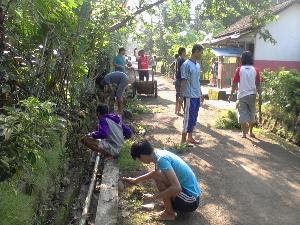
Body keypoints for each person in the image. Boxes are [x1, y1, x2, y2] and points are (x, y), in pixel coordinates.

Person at [122, 140, 201, 221]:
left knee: (159, 178)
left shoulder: (161, 160)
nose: (140, 161)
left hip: (191, 201)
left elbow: (177, 188)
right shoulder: (158, 154)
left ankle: (169, 213)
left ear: (142, 155)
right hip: (189, 195)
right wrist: (136, 180)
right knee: (158, 175)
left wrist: (154, 197)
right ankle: (169, 208)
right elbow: (154, 174)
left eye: (139, 158)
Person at [229, 51, 261, 138]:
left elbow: (234, 83)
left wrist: (231, 94)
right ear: (251, 59)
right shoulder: (255, 70)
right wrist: (260, 95)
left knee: (242, 114)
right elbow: (258, 84)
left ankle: (244, 134)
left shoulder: (239, 70)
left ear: (242, 59)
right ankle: (250, 132)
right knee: (252, 113)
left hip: (242, 95)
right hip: (253, 95)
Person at [180, 44, 204, 145]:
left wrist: (200, 93)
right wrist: (181, 96)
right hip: (189, 96)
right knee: (188, 118)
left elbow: (197, 81)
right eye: (201, 52)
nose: (202, 55)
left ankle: (190, 137)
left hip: (196, 95)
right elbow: (184, 81)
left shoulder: (197, 65)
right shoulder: (186, 64)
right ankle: (182, 141)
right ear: (196, 51)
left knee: (194, 117)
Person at [175, 48, 186, 115]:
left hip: (177, 79)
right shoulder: (183, 60)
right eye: (185, 51)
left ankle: (177, 110)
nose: (186, 53)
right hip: (181, 80)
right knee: (183, 96)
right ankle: (183, 110)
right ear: (182, 52)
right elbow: (183, 72)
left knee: (178, 94)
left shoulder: (177, 60)